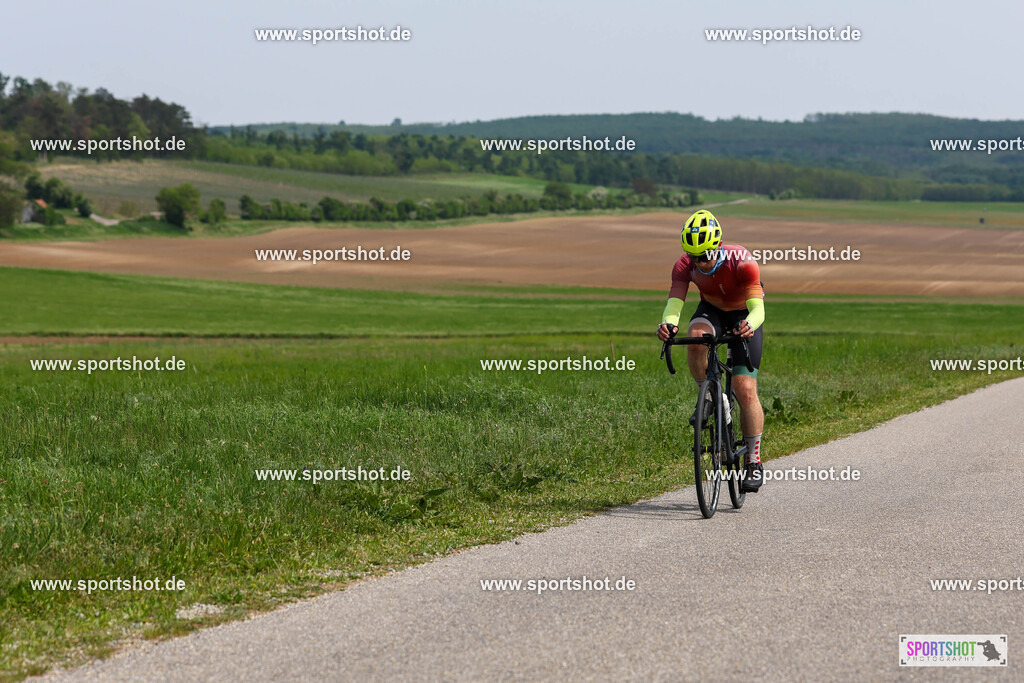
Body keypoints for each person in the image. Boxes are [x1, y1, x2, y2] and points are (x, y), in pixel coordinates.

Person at [656, 209, 766, 492]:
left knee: (745, 389)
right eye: (694, 257)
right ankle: (708, 395)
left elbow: (758, 309)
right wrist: (668, 325)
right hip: (713, 310)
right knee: (695, 337)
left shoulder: (741, 261)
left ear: (717, 246)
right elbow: (675, 302)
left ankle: (753, 461)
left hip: (744, 315)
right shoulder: (684, 265)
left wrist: (748, 325)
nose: (700, 263)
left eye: (705, 256)